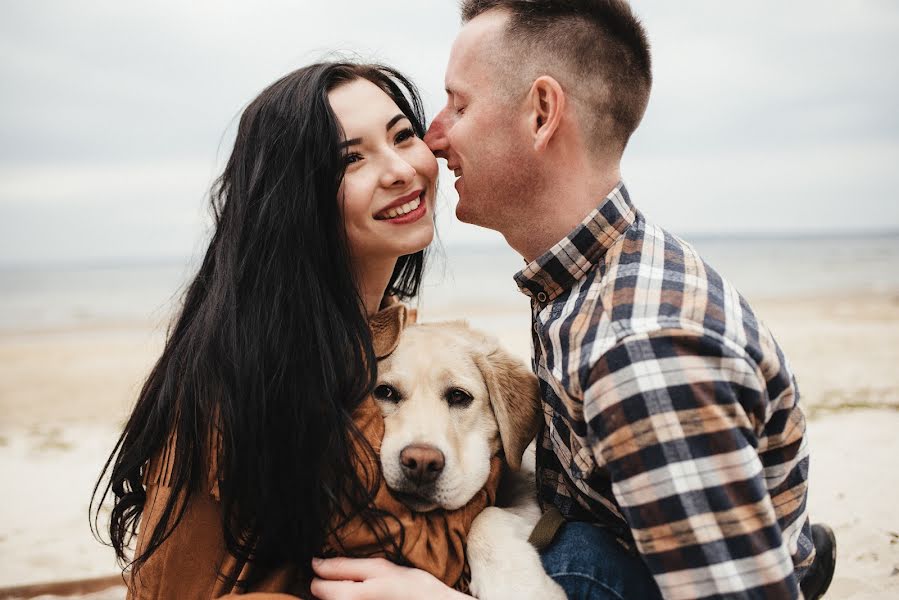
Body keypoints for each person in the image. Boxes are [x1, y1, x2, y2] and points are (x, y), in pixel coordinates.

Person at [312, 1, 837, 599]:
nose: (433, 137)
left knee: (568, 560)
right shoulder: (586, 281)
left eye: (460, 104)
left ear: (541, 114)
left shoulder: (639, 350)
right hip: (642, 547)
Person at [91, 62, 502, 599]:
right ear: (294, 197)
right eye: (351, 159)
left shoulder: (383, 340)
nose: (401, 169)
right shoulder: (259, 370)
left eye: (403, 136)